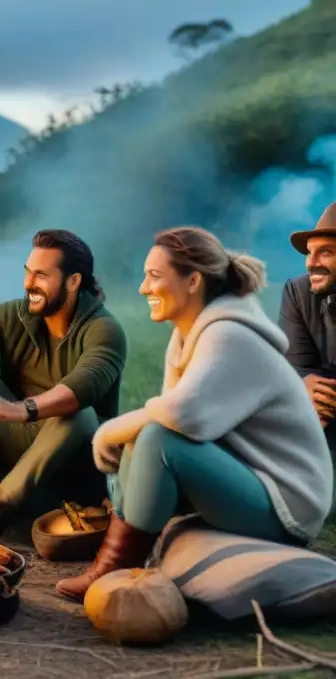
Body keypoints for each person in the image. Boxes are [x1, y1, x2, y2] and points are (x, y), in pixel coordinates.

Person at [56, 227, 334, 602]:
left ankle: (117, 565)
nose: (143, 288)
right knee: (146, 436)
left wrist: (108, 433)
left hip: (287, 506)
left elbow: (182, 417)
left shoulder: (230, 336)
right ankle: (117, 554)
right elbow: (176, 418)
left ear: (193, 281)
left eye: (155, 276)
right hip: (250, 476)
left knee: (158, 437)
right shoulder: (188, 334)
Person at [0, 229, 128, 538]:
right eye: (28, 272)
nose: (29, 283)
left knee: (79, 411)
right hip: (20, 440)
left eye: (41, 275)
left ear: (73, 281)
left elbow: (84, 386)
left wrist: (20, 409)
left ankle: (1, 506)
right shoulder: (14, 315)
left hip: (75, 458)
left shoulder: (104, 330)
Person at [277, 201, 336, 442]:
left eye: (326, 252)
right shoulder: (298, 292)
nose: (311, 263)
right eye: (309, 252)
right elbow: (296, 363)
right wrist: (304, 384)